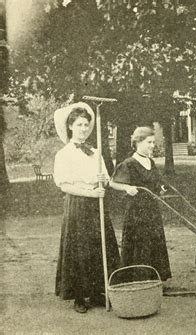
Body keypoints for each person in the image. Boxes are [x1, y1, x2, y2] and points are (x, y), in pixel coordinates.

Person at [53, 102, 120, 313]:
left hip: (96, 203)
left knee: (99, 245)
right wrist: (91, 192)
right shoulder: (64, 154)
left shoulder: (95, 151)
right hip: (78, 204)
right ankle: (80, 295)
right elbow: (65, 185)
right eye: (80, 124)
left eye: (86, 125)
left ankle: (98, 290)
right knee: (80, 248)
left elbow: (107, 179)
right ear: (71, 126)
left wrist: (103, 179)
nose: (83, 128)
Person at [109, 127, 172, 283]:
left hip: (152, 209)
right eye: (149, 142)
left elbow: (156, 182)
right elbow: (113, 183)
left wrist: (161, 188)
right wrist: (127, 188)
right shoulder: (128, 163)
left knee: (154, 242)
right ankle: (138, 279)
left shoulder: (150, 161)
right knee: (140, 244)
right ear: (138, 142)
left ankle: (153, 279)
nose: (152, 145)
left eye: (153, 142)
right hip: (136, 211)